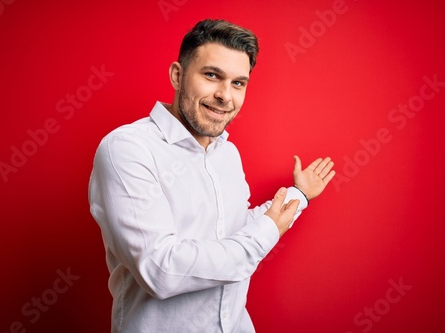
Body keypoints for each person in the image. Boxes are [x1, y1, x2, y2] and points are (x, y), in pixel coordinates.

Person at [89, 19, 335, 333]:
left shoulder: (227, 154)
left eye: (238, 83)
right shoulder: (126, 149)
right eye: (211, 75)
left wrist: (298, 196)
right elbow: (161, 270)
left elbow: (236, 231)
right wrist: (266, 234)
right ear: (177, 75)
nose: (225, 96)